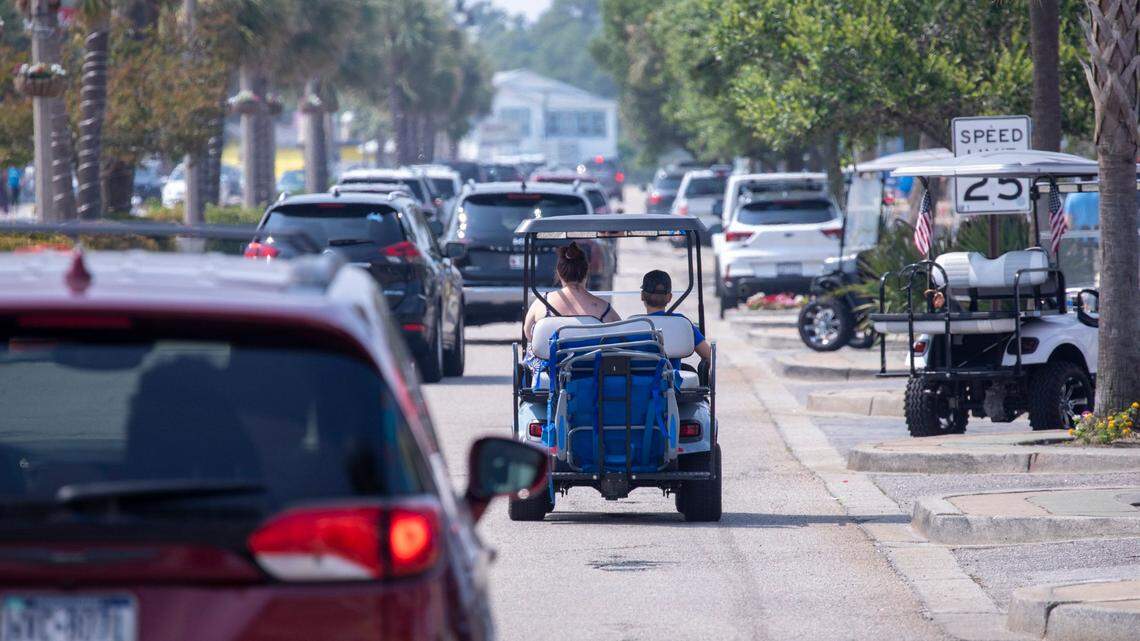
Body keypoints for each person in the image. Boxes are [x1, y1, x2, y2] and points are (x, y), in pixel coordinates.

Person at [523, 241, 619, 341]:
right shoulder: (604, 309)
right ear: (586, 272)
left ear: (559, 273)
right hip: (593, 356)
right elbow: (622, 337)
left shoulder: (542, 302)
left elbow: (528, 333)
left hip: (552, 356)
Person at [640, 269, 712, 364]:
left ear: (642, 296)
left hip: (635, 379)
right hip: (671, 378)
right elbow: (708, 354)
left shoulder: (633, 325)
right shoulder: (681, 323)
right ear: (669, 298)